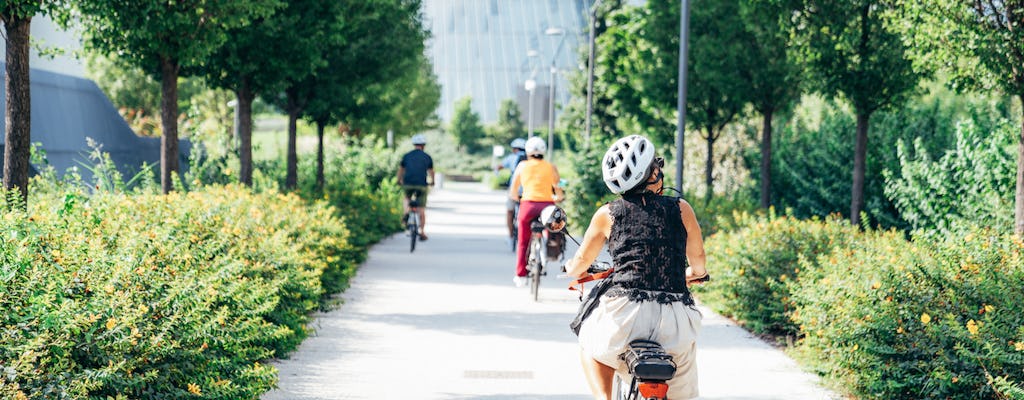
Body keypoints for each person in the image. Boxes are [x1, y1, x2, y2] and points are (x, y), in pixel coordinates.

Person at [564, 135, 708, 400]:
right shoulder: (682, 209)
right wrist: (691, 274)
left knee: (590, 345)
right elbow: (698, 262)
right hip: (676, 323)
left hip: (624, 317)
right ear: (653, 173)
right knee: (683, 384)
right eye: (658, 164)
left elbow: (579, 265)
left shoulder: (607, 214)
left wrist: (572, 267)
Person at [508, 136, 564, 287]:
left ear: (527, 151)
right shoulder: (551, 167)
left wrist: (516, 198)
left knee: (523, 241)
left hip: (528, 205)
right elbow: (558, 190)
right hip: (547, 206)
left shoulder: (522, 166)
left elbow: (513, 190)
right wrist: (558, 197)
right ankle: (550, 249)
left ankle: (521, 275)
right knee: (552, 227)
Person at [397, 134, 434, 241]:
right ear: (423, 145)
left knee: (406, 198)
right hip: (421, 185)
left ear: (414, 145)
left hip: (408, 183)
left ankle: (406, 213)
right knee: (421, 208)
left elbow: (401, 170)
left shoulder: (407, 156)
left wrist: (399, 180)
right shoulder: (427, 157)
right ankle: (422, 232)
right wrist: (432, 181)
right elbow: (431, 172)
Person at [497, 138, 528, 242]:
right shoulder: (530, 159)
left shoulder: (511, 157)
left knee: (510, 211)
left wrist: (497, 173)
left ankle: (510, 236)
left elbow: (499, 167)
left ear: (515, 149)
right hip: (527, 191)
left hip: (514, 190)